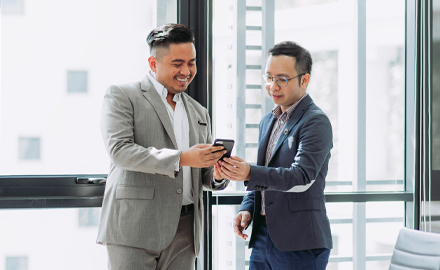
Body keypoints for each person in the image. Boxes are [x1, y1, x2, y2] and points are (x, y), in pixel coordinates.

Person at [96, 23, 229, 270]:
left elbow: (203, 174)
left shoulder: (199, 111)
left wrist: (218, 175)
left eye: (191, 63)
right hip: (134, 227)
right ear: (153, 63)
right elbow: (120, 151)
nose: (187, 71)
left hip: (186, 231)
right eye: (177, 63)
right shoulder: (122, 96)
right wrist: (181, 158)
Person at [218, 41, 333, 269]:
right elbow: (264, 177)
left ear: (304, 79)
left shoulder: (315, 121)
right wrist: (247, 207)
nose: (273, 86)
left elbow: (301, 177)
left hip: (300, 242)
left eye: (282, 79)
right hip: (262, 238)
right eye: (269, 78)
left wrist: (249, 172)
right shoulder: (268, 120)